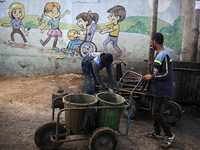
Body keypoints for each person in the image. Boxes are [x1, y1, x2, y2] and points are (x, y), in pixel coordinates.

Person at [143, 33, 175, 149]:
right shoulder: (159, 54)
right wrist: (150, 76)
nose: (151, 43)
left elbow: (167, 73)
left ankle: (169, 134)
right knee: (153, 111)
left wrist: (151, 77)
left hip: (161, 89)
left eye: (152, 41)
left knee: (156, 112)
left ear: (155, 42)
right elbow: (157, 72)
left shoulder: (165, 55)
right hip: (155, 88)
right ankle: (157, 132)